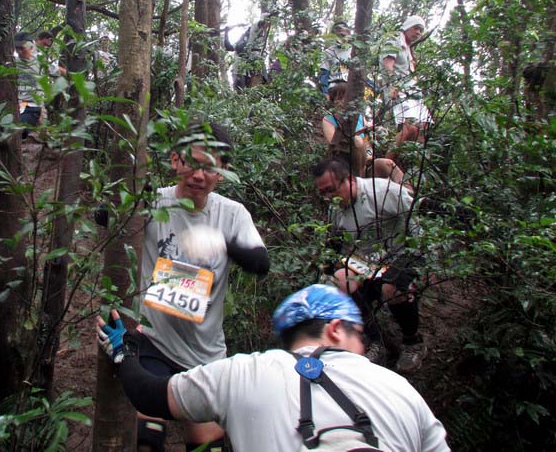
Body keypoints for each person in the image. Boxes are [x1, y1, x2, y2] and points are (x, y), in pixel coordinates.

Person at [97, 284, 450, 452]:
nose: (362, 345)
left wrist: (122, 351)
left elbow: (149, 394)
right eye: (360, 333)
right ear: (336, 328)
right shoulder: (402, 390)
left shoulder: (247, 372)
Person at [132, 123, 270, 451]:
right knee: (147, 436)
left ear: (222, 172)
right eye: (192, 163)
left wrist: (222, 242)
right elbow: (108, 218)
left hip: (204, 351)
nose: (198, 175)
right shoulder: (152, 201)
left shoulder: (232, 214)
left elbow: (261, 264)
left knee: (208, 445)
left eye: (209, 167)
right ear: (176, 161)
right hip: (154, 339)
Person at [312, 157, 426, 372]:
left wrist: (416, 260)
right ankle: (373, 340)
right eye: (323, 193)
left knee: (391, 287)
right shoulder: (335, 209)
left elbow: (419, 228)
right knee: (338, 281)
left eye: (331, 190)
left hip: (401, 255)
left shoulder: (384, 193)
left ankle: (413, 342)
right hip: (367, 262)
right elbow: (334, 244)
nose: (328, 197)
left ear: (351, 180)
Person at [322, 82, 406, 185]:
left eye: (345, 97)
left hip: (367, 162)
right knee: (357, 141)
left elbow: (370, 128)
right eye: (338, 98)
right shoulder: (329, 120)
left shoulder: (359, 117)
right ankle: (360, 187)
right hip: (346, 163)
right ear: (333, 101)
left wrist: (379, 131)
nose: (342, 102)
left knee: (387, 164)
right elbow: (333, 142)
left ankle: (411, 195)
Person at [382, 15, 432, 145]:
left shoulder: (409, 48)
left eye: (421, 30)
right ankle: (385, 163)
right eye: (416, 28)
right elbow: (387, 64)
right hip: (399, 90)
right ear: (408, 26)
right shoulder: (394, 41)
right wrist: (392, 86)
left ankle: (409, 161)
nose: (418, 33)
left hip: (413, 92)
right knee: (407, 128)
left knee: (422, 128)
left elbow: (411, 73)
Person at [14, 31, 47, 131]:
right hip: (22, 106)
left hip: (39, 107)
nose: (19, 52)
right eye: (17, 48)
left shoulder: (40, 61)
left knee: (43, 140)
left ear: (31, 47)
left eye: (22, 48)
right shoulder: (13, 63)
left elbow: (57, 70)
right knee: (22, 133)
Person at [319, 20, 352, 94]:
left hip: (351, 87)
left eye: (342, 35)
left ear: (349, 34)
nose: (340, 39)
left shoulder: (354, 51)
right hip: (334, 88)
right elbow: (324, 74)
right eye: (337, 36)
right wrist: (325, 93)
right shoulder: (328, 52)